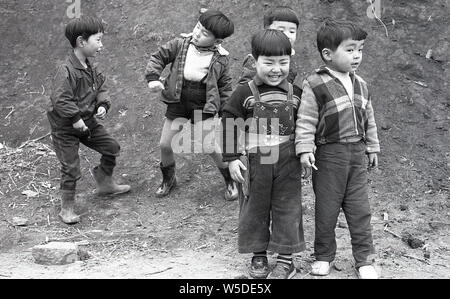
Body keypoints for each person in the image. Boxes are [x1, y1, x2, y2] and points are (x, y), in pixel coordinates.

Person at [295, 19, 381, 279]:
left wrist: (373, 147)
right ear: (328, 54)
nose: (357, 56)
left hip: (356, 156)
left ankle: (365, 259)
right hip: (329, 156)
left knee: (360, 210)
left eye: (360, 49)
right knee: (326, 210)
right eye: (350, 49)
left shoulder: (361, 84)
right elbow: (306, 119)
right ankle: (323, 256)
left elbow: (369, 117)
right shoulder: (315, 83)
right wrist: (304, 148)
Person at [222, 29, 305, 279]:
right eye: (268, 62)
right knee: (254, 207)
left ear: (290, 61)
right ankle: (258, 254)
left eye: (283, 62)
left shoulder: (297, 94)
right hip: (256, 162)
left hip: (288, 161)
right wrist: (232, 158)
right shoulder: (244, 93)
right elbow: (228, 121)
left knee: (288, 208)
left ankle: (285, 260)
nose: (276, 69)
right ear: (254, 60)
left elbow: (306, 126)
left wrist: (307, 152)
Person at [145, 10, 238, 201]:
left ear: (217, 41)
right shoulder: (180, 44)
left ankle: (230, 179)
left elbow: (225, 86)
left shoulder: (221, 58)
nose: (197, 33)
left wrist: (226, 111)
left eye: (204, 33)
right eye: (197, 27)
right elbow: (159, 56)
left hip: (203, 103)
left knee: (209, 145)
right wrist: (153, 78)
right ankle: (169, 179)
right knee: (165, 144)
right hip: (178, 99)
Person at [47, 16, 130, 224]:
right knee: (71, 167)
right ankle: (66, 208)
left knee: (111, 146)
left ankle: (105, 182)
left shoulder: (92, 68)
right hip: (65, 127)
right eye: (98, 40)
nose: (101, 45)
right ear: (82, 41)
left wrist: (103, 105)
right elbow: (60, 98)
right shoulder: (65, 70)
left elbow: (102, 88)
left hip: (87, 121)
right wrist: (75, 118)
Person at [237, 6, 300, 84]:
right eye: (281, 30)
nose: (287, 35)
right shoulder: (256, 58)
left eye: (292, 31)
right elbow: (244, 86)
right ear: (267, 30)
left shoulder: (291, 58)